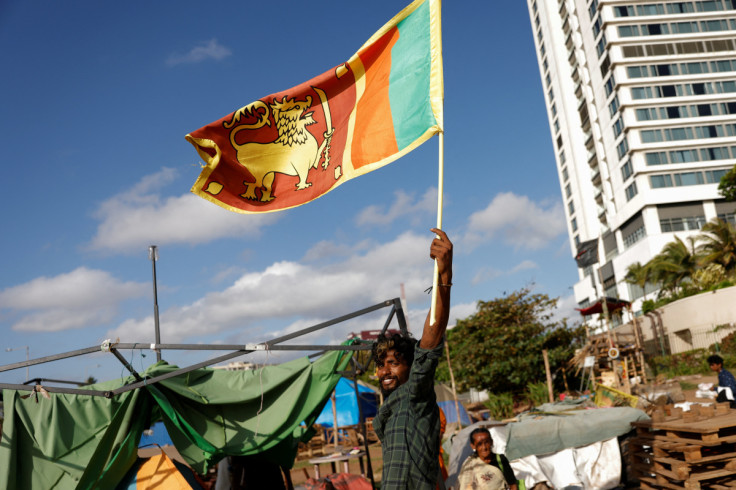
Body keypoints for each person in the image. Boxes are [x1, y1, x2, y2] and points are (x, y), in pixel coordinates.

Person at [372, 228, 453, 490]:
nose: (385, 371)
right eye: (381, 364)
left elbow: (430, 339)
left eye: (394, 363)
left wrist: (444, 276)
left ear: (410, 367)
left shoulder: (414, 393)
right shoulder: (390, 410)